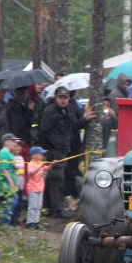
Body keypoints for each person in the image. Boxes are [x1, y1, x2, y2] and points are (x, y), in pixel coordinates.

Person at [39, 86, 96, 219]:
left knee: (56, 178)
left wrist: (85, 120)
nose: (63, 100)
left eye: (65, 98)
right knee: (56, 179)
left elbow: (74, 127)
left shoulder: (69, 110)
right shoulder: (50, 111)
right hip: (54, 151)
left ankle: (47, 207)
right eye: (60, 98)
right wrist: (53, 146)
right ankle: (58, 209)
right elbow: (43, 132)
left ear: (68, 98)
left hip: (65, 150)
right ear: (56, 98)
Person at [25, 146, 52, 229]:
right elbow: (32, 173)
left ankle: (36, 221)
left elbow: (47, 168)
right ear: (34, 156)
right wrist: (41, 166)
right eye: (41, 155)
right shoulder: (30, 164)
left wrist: (53, 163)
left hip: (40, 188)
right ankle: (30, 222)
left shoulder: (40, 163)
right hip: (33, 188)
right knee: (33, 206)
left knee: (39, 206)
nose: (42, 156)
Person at [0, 133, 20, 226]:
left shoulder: (8, 153)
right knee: (12, 200)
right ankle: (5, 224)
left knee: (13, 201)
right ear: (6, 142)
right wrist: (11, 181)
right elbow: (3, 168)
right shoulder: (3, 153)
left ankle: (6, 222)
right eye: (13, 141)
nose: (15, 143)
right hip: (5, 182)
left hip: (10, 182)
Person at [11, 141, 25, 227]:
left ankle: (17, 218)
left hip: (21, 182)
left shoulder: (21, 158)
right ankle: (12, 218)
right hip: (14, 182)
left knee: (20, 201)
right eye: (16, 146)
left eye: (20, 146)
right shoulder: (10, 157)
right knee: (14, 201)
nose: (18, 148)